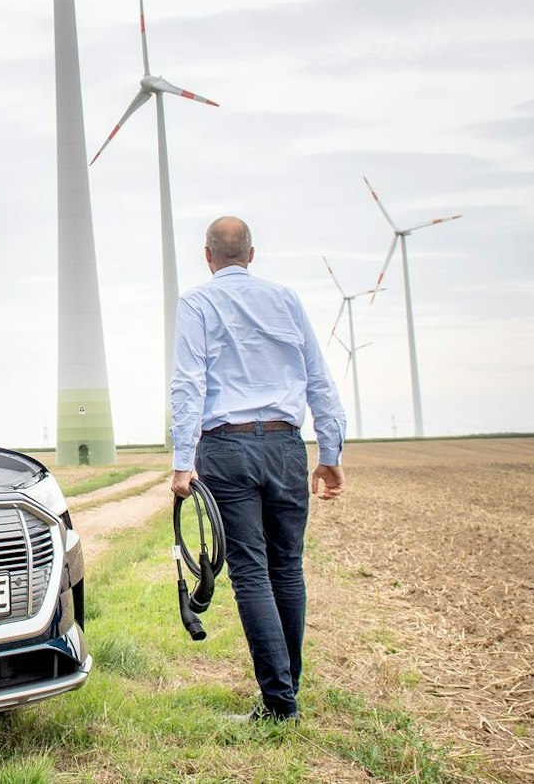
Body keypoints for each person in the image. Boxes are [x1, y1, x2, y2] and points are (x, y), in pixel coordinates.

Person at [169, 216, 345, 722]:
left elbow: (188, 382)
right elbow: (319, 377)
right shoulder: (286, 299)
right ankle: (287, 690)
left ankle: (279, 703)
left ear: (207, 256)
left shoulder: (197, 303)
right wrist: (329, 454)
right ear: (251, 254)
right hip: (288, 446)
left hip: (228, 447)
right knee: (287, 567)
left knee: (251, 573)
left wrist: (183, 463)